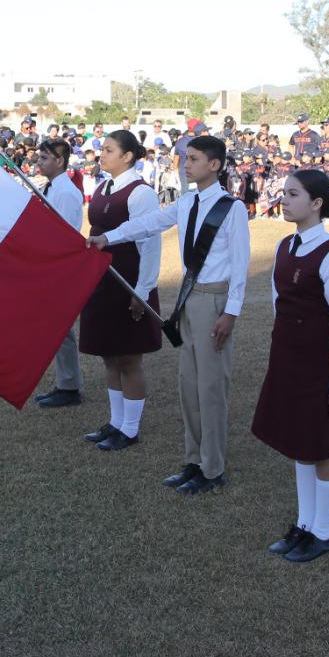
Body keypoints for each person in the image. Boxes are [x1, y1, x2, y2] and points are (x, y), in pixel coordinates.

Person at [92, 135, 248, 494]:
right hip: (189, 300)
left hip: (214, 301)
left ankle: (213, 468)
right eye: (185, 158)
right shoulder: (187, 200)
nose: (186, 164)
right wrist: (108, 238)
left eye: (193, 159)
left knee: (210, 388)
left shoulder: (231, 207)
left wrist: (231, 313)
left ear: (215, 165)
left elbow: (240, 267)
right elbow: (148, 224)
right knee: (188, 386)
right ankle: (194, 461)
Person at [251, 169, 329, 563]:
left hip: (318, 365)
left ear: (316, 203)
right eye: (284, 193)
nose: (284, 200)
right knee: (299, 444)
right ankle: (305, 524)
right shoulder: (284, 245)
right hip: (288, 358)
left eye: (293, 194)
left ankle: (323, 533)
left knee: (321, 447)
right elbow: (281, 302)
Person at [78, 130, 163, 453]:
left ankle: (130, 429)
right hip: (103, 281)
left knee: (129, 357)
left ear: (127, 156)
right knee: (109, 356)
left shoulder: (141, 193)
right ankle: (115, 422)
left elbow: (150, 244)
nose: (103, 154)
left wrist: (141, 292)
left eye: (110, 150)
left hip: (127, 280)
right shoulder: (103, 186)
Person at [34, 138, 88, 409]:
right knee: (57, 329)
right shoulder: (53, 187)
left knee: (61, 329)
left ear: (60, 160)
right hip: (49, 264)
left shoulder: (65, 192)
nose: (39, 162)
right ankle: (65, 383)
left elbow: (64, 235)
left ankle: (69, 386)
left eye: (44, 158)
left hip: (57, 267)